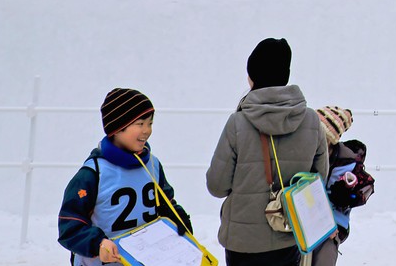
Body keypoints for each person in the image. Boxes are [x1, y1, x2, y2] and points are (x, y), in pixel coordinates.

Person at [207, 37, 328, 266]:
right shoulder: (311, 120)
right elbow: (317, 179)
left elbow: (217, 185)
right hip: (289, 232)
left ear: (252, 77)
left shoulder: (238, 123)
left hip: (243, 241)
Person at [58, 87, 193, 266]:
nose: (147, 130)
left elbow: (165, 203)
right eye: (140, 124)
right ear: (117, 127)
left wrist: (178, 219)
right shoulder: (93, 173)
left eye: (150, 123)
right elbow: (70, 225)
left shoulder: (152, 165)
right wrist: (97, 243)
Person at [312, 106, 374, 266]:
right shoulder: (307, 152)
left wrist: (342, 193)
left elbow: (343, 199)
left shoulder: (345, 163)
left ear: (329, 139)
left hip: (332, 224)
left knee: (323, 256)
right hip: (304, 216)